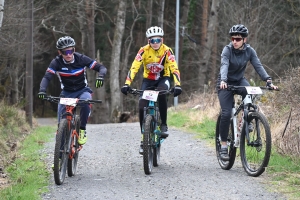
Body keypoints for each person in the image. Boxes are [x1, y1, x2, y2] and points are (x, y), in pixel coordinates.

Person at [217, 24, 278, 161]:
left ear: (244, 39)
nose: (234, 41)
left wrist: (268, 80)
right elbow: (224, 65)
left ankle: (247, 120)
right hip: (225, 83)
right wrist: (224, 80)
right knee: (227, 113)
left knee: (250, 94)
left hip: (239, 81)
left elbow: (258, 65)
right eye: (233, 38)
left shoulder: (250, 51)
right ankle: (223, 146)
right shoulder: (227, 50)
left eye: (238, 39)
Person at [121, 26, 182, 154]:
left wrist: (177, 84)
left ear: (162, 40)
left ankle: (164, 123)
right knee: (141, 105)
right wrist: (127, 84)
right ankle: (144, 138)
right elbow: (134, 68)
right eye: (152, 41)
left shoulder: (167, 51)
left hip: (163, 79)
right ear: (148, 41)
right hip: (148, 81)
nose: (155, 43)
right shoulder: (143, 51)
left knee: (161, 95)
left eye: (158, 40)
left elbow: (174, 68)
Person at [38, 36, 107, 145]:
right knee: (60, 126)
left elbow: (101, 68)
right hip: (66, 93)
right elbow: (47, 77)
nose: (69, 54)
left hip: (82, 90)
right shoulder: (56, 62)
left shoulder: (81, 59)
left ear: (74, 50)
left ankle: (82, 129)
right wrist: (42, 90)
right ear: (60, 52)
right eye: (65, 52)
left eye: (71, 50)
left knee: (85, 101)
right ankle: (59, 159)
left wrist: (101, 76)